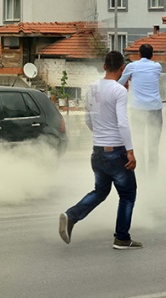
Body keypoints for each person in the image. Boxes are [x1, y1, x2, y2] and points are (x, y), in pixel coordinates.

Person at [59, 51, 142, 250]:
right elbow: (122, 123)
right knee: (128, 194)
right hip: (116, 151)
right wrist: (130, 151)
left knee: (100, 191)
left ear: (104, 66)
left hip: (97, 151)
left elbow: (88, 119)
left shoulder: (91, 89)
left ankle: (71, 216)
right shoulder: (119, 91)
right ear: (122, 69)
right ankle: (122, 237)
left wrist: (101, 137)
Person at [118, 44, 163, 177]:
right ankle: (153, 175)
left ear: (139, 54)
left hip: (138, 108)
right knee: (153, 145)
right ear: (152, 55)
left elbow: (120, 83)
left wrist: (131, 77)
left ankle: (141, 174)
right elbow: (150, 78)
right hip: (155, 108)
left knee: (138, 142)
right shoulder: (157, 66)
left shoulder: (132, 66)